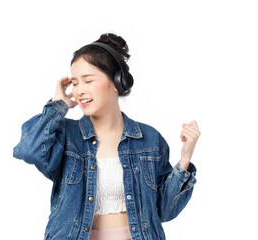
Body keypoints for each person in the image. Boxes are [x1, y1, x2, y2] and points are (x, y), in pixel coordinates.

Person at [13, 33, 200, 240]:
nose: (79, 91)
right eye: (75, 83)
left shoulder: (149, 139)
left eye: (88, 80)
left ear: (117, 82)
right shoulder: (66, 136)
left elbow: (164, 211)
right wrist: (58, 105)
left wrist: (184, 160)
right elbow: (30, 149)